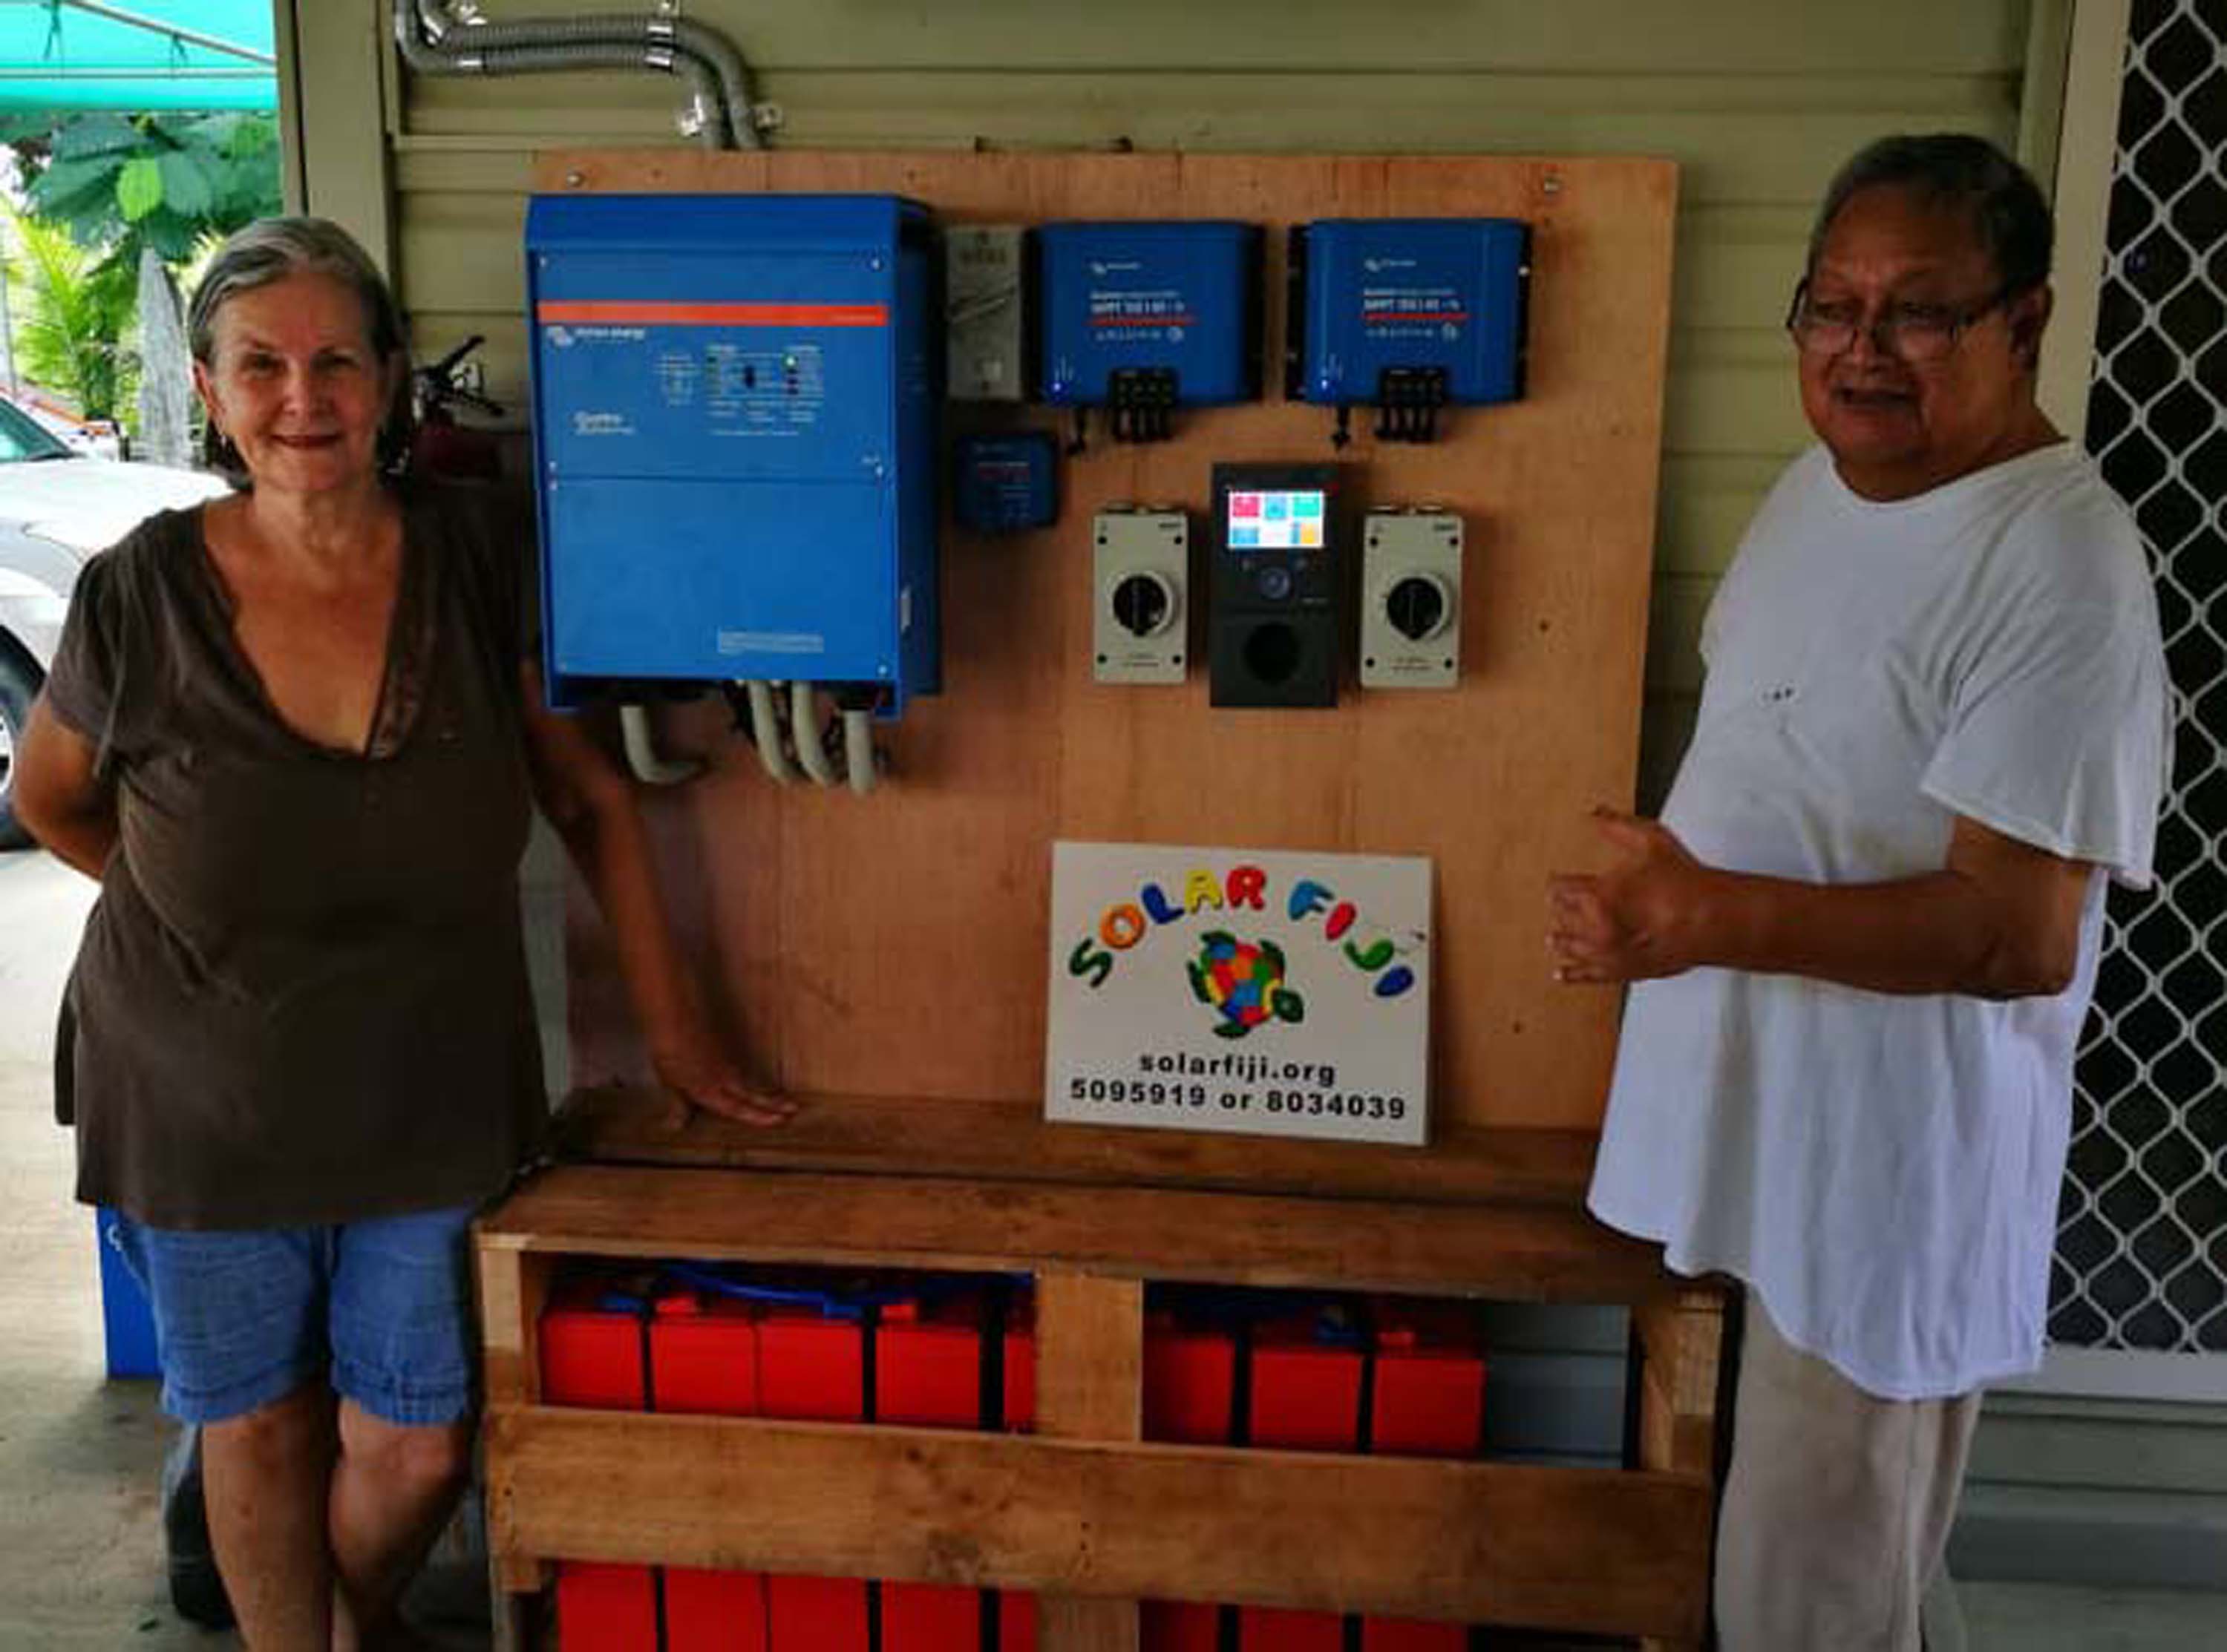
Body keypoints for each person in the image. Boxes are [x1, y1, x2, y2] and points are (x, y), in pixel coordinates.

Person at [12, 215, 795, 1652]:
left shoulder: (476, 557)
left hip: (431, 1080)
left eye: (335, 361)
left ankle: (334, 1629)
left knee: (422, 1438)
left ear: (386, 379)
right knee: (259, 1419)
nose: (301, 399)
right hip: (200, 1087)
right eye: (261, 366)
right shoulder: (139, 588)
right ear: (211, 388)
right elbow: (49, 798)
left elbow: (590, 798)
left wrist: (681, 1034)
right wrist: (199, 915)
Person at [1549, 134, 2169, 1651]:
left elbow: (2016, 934)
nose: (1863, 349)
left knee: (1811, 1599)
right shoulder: (1818, 489)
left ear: (2023, 320)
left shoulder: (2058, 563)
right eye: (1832, 306)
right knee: (1810, 1571)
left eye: (1920, 312)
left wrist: (1698, 918)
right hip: (1763, 1141)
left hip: (1879, 1184)